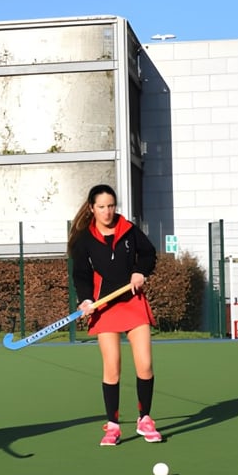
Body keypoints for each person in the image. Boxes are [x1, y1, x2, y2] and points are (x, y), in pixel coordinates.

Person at [68, 184, 162, 447]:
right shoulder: (84, 240)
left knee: (144, 364)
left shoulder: (129, 230)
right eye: (102, 207)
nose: (108, 211)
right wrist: (86, 299)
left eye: (111, 206)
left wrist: (140, 271)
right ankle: (113, 425)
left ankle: (145, 419)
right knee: (112, 367)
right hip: (104, 306)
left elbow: (149, 254)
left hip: (132, 302)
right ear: (92, 209)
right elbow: (81, 275)